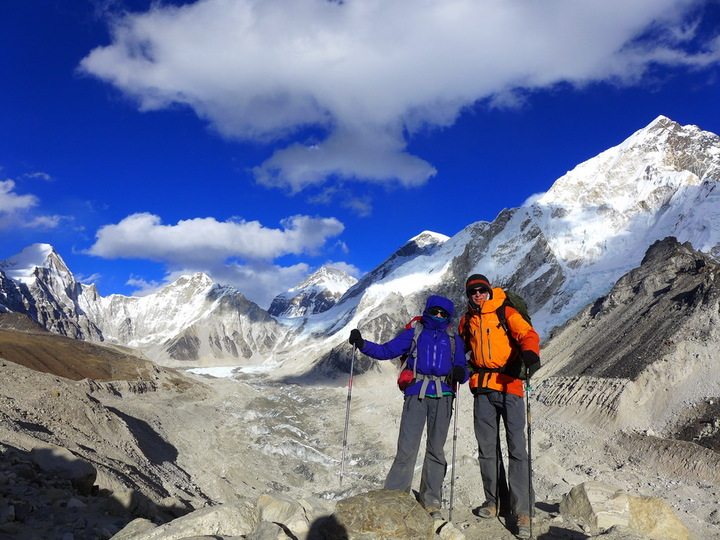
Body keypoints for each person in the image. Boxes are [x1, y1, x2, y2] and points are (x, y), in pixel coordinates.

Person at [348, 294, 468, 520]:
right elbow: (386, 351)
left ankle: (431, 500)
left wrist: (462, 373)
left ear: (448, 316)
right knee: (407, 448)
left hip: (444, 395)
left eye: (443, 313)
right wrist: (362, 344)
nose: (439, 316)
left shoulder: (454, 339)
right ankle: (394, 497)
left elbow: (461, 366)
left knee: (436, 450)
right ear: (428, 311)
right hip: (416, 393)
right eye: (435, 312)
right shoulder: (415, 333)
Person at [458, 274, 540, 539]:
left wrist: (530, 352)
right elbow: (459, 348)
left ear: (489, 290)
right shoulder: (467, 319)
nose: (478, 295)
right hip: (482, 388)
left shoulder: (505, 310)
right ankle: (495, 502)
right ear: (468, 295)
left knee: (517, 449)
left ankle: (523, 510)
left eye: (481, 290)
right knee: (487, 449)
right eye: (473, 292)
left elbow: (527, 333)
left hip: (510, 385)